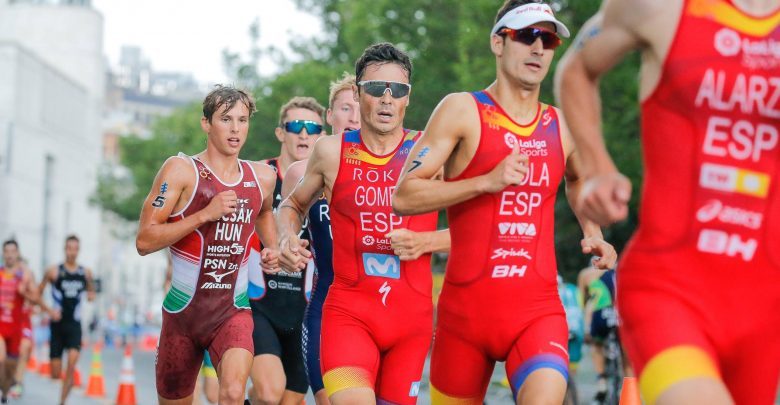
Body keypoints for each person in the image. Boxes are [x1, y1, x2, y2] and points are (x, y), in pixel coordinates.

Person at [555, 0, 780, 403]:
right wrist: (598, 167)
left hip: (765, 308)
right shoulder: (661, 6)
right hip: (670, 288)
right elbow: (576, 69)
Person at [391, 1, 617, 403]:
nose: (538, 48)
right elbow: (405, 195)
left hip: (537, 313)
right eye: (526, 35)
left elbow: (578, 177)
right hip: (465, 320)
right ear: (498, 43)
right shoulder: (462, 109)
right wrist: (485, 182)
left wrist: (593, 231)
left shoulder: (560, 124)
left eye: (547, 39)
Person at [277, 42, 450, 405]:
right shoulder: (331, 152)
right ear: (359, 94)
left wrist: (427, 243)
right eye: (375, 89)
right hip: (348, 316)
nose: (386, 99)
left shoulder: (429, 152)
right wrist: (287, 236)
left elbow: (479, 227)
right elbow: (292, 204)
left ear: (408, 99)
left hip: (411, 324)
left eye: (397, 90)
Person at [136, 85, 279, 405]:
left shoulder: (262, 177)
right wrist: (205, 214)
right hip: (182, 316)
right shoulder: (181, 170)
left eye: (243, 120)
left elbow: (265, 211)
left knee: (230, 393)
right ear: (206, 124)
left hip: (233, 311)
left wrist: (271, 248)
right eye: (226, 119)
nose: (235, 129)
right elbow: (144, 241)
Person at [279, 73, 360, 405]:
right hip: (326, 306)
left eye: (359, 107)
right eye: (345, 107)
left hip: (380, 309)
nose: (354, 116)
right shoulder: (303, 172)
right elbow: (289, 215)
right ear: (330, 116)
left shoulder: (395, 168)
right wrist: (287, 245)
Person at [247, 96, 325, 405]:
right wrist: (266, 250)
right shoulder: (260, 175)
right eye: (296, 126)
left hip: (304, 307)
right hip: (259, 302)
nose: (304, 134)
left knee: (289, 401)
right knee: (269, 391)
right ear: (281, 132)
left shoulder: (327, 181)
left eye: (312, 127)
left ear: (321, 135)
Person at [38, 235, 96, 405]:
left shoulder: (85, 273)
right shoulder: (53, 271)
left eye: (75, 248)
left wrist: (91, 296)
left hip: (74, 326)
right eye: (69, 248)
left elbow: (91, 292)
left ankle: (62, 402)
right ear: (65, 249)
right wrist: (48, 310)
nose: (72, 252)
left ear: (78, 250)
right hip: (57, 325)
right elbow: (37, 293)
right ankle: (63, 379)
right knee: (55, 373)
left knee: (71, 366)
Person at [164, 256, 218, 405]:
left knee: (213, 394)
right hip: (186, 327)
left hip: (212, 326)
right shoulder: (179, 257)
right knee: (191, 389)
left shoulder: (219, 252)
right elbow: (168, 285)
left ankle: (254, 397)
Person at [0, 241, 38, 403]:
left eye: (12, 251)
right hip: (1, 325)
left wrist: (25, 293)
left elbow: (36, 298)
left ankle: (9, 387)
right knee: (1, 359)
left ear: (18, 253)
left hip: (18, 325)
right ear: (3, 254)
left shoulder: (25, 275)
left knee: (11, 364)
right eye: (6, 251)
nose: (9, 255)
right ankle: (7, 388)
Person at [577, 263, 618, 402]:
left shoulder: (585, 274)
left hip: (600, 315)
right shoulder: (619, 270)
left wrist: (586, 327)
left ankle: (601, 383)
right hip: (619, 313)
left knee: (596, 345)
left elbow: (580, 301)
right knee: (626, 351)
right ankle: (630, 383)